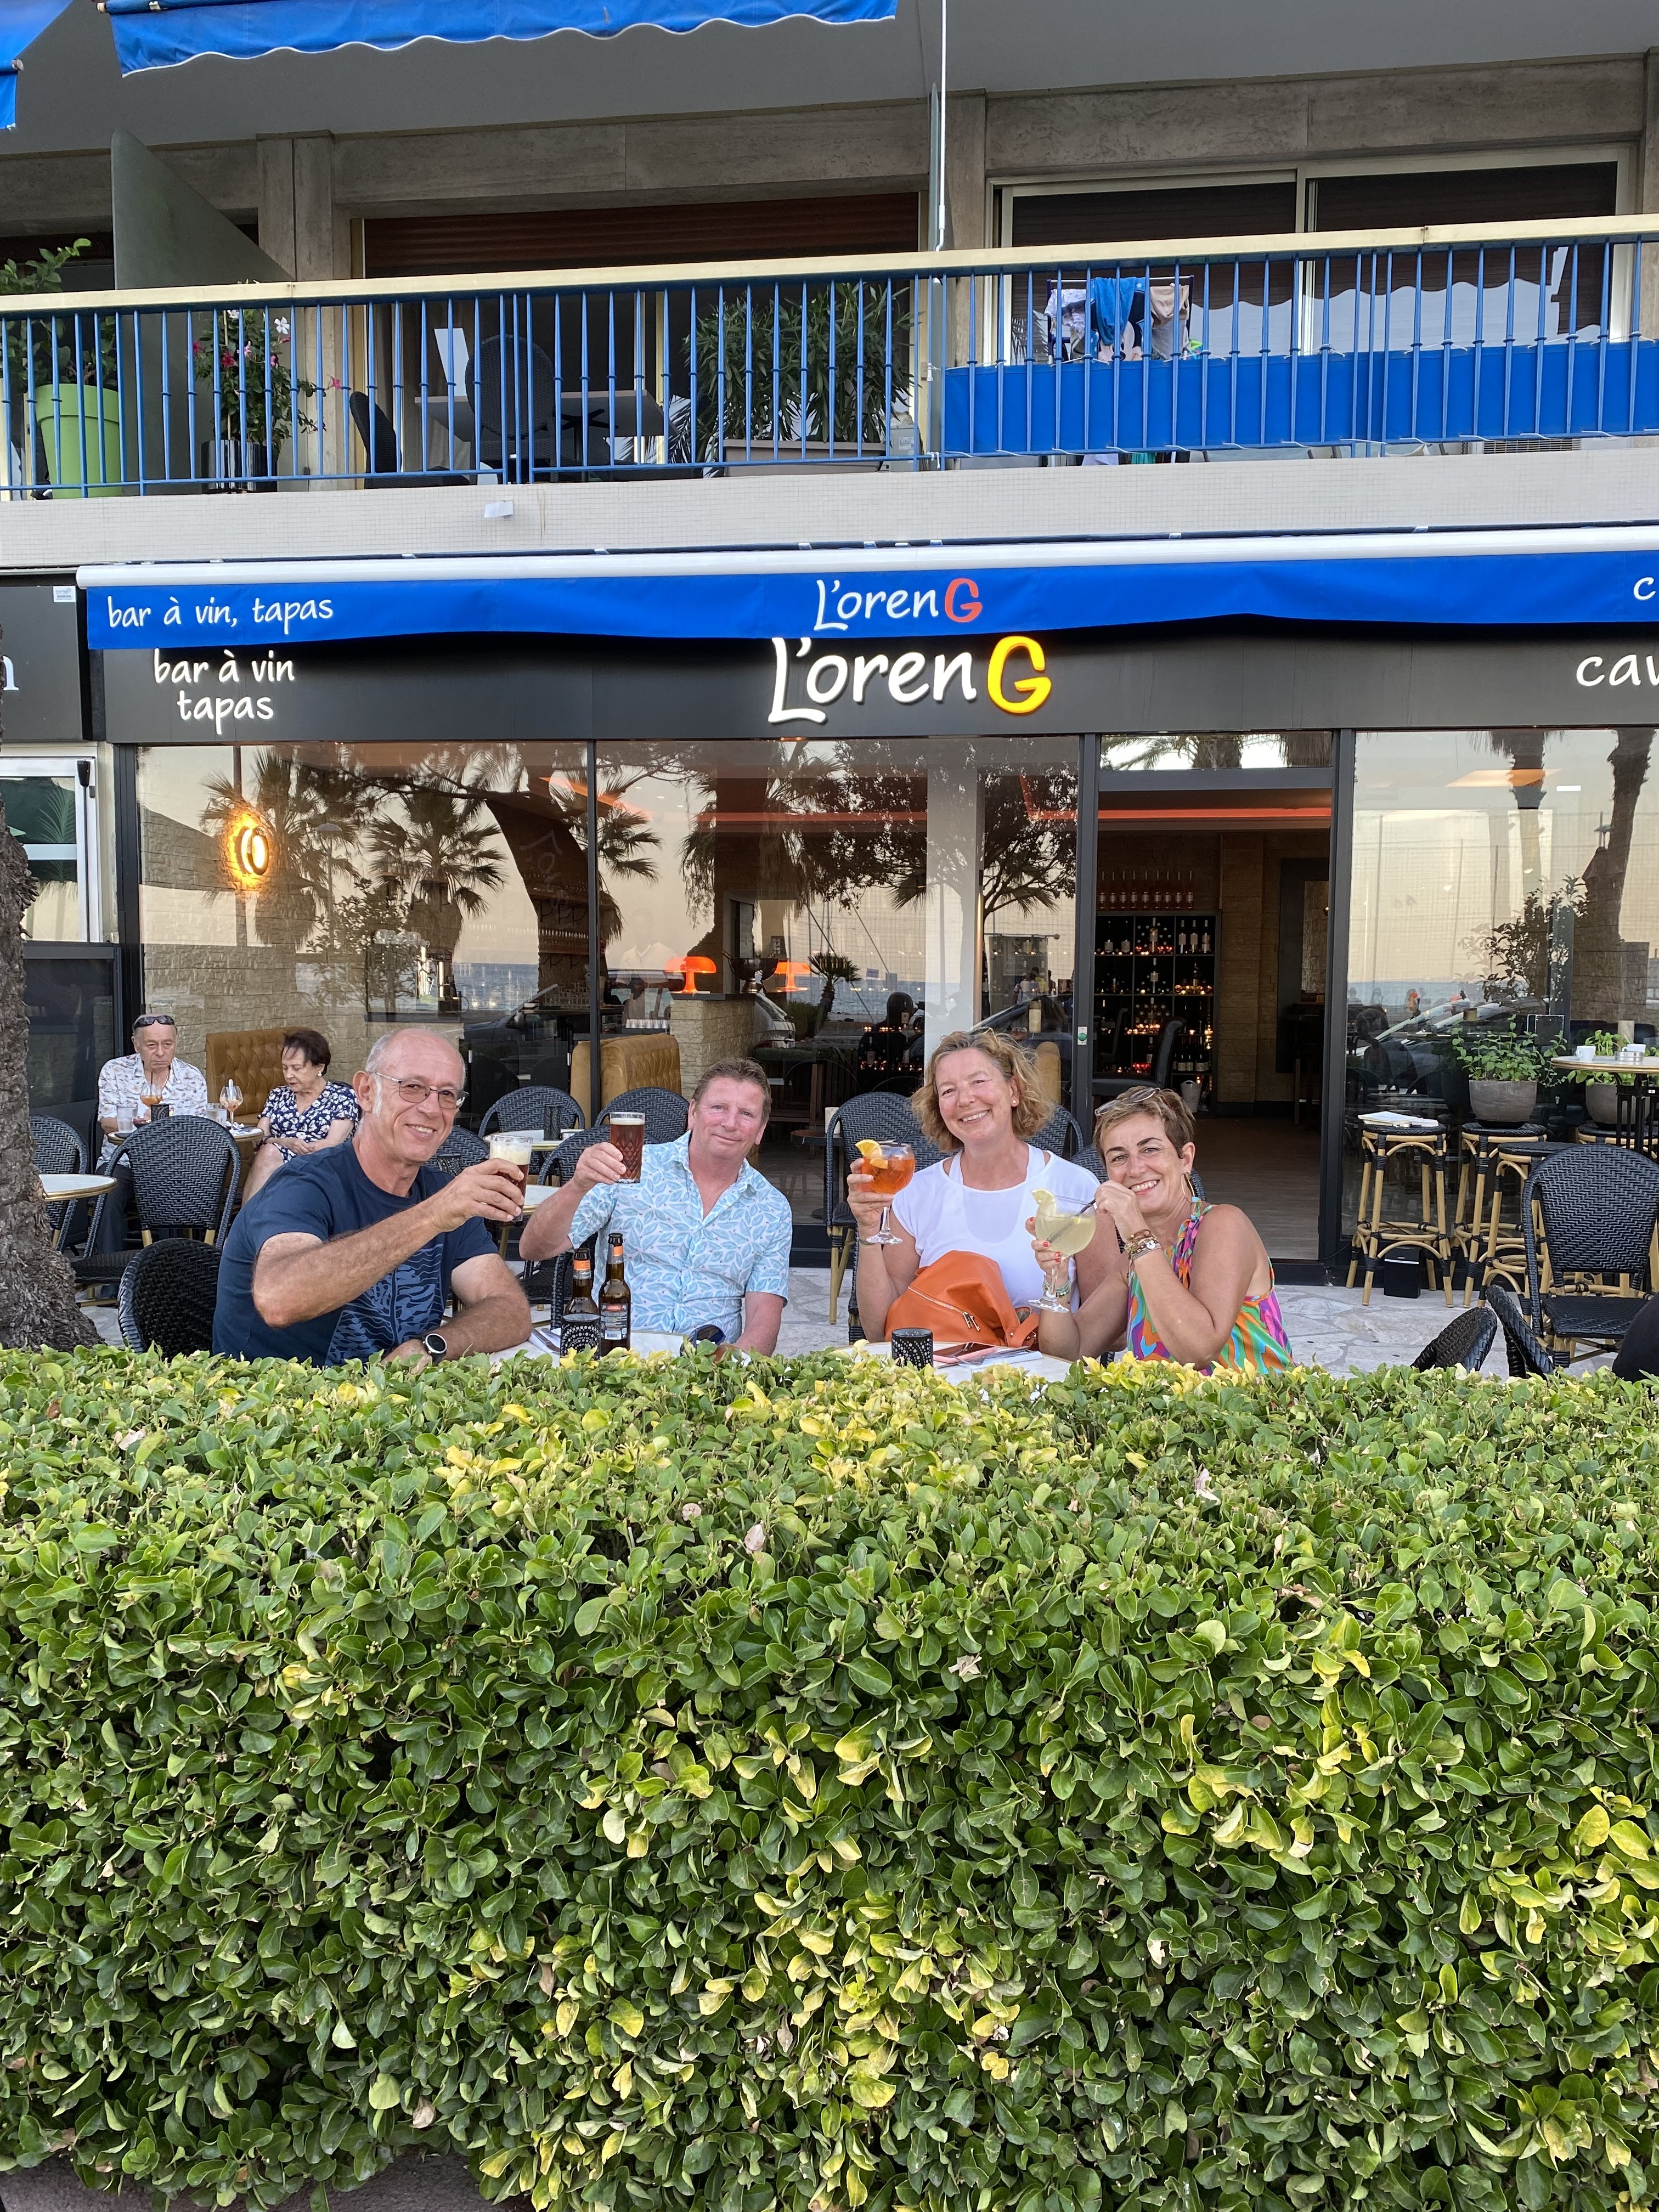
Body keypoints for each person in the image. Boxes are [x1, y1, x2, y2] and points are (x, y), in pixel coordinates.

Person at [212, 1027, 529, 1367]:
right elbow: (279, 1300)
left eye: (447, 1094)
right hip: (273, 1396)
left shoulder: (443, 1194)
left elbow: (511, 1309)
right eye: (412, 1087)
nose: (432, 1109)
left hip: (388, 1397)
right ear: (365, 1092)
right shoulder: (303, 1184)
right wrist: (432, 1216)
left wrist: (435, 1345)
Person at [519, 1058, 792, 1351]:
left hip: (708, 1363)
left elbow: (764, 1321)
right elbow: (534, 1249)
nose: (730, 1123)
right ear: (693, 1113)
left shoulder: (772, 1209)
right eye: (718, 1107)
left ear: (760, 1130)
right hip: (618, 1356)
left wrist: (731, 1362)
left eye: (746, 1114)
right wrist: (577, 1186)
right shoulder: (630, 1170)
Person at [848, 1029, 1097, 1342]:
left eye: (978, 1081)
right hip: (939, 1371)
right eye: (948, 1090)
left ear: (1014, 1091)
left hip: (1043, 1369)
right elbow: (879, 1329)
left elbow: (1107, 1325)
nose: (965, 1099)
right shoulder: (916, 1193)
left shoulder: (1075, 1189)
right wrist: (869, 1232)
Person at [1032, 1086, 1293, 1373]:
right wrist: (1057, 1280)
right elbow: (1069, 1352)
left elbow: (1198, 1351)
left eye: (1150, 1150)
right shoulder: (1134, 1259)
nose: (1135, 1169)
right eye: (1119, 1157)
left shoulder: (1223, 1225)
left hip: (1254, 1401)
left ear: (1186, 1159)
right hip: (1169, 1405)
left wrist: (1137, 1234)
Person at [88, 1012, 211, 1258]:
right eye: (152, 1045)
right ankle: (109, 1270)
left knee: (176, 1190)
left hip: (172, 1163)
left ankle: (172, 1268)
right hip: (123, 1161)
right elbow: (108, 1123)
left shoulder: (191, 1077)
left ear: (176, 1043)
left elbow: (200, 1130)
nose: (161, 1053)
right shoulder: (115, 1071)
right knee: (107, 1194)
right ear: (136, 1044)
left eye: (168, 1044)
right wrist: (145, 1123)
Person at [244, 1028, 360, 1199]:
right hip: (272, 1161)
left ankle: (248, 1214)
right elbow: (260, 1137)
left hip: (322, 1165)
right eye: (285, 1068)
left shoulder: (342, 1097)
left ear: (319, 1067)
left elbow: (333, 1144)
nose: (289, 1075)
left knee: (268, 1155)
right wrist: (285, 1143)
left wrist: (293, 1149)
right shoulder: (278, 1095)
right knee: (267, 1153)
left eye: (297, 1069)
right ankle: (253, 1213)